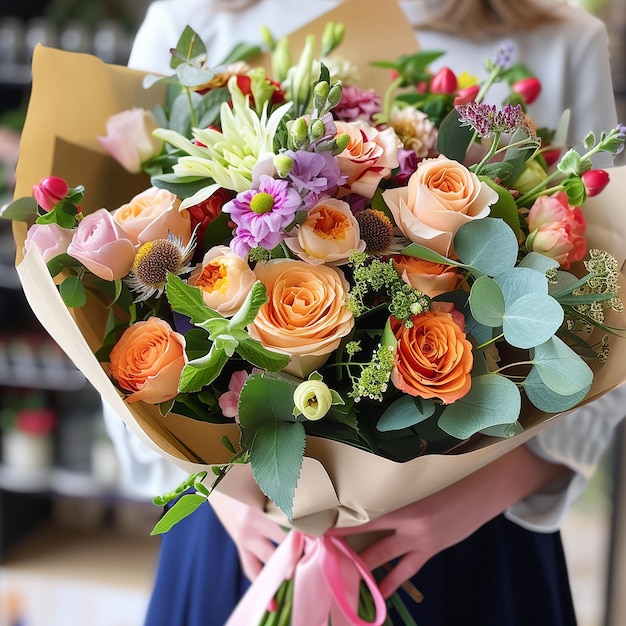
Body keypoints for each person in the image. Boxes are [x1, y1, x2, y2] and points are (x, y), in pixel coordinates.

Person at [103, 0, 626, 624]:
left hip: (463, 539)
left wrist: (489, 489)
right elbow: (110, 305)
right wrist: (225, 492)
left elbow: (609, 311)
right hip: (242, 532)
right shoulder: (198, 19)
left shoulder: (561, 39)